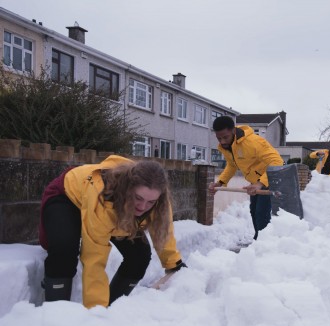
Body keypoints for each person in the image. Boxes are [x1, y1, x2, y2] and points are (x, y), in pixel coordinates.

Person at [39, 155, 185, 308]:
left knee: (139, 255)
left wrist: (173, 264)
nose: (142, 207)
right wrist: (96, 310)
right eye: (138, 198)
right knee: (64, 250)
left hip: (122, 209)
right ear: (129, 188)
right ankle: (56, 312)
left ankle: (113, 309)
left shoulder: (158, 200)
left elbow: (163, 231)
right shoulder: (103, 197)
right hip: (68, 197)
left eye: (150, 202)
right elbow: (94, 260)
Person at [208, 116, 284, 240]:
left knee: (261, 213)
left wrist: (260, 183)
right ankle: (258, 239)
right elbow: (232, 165)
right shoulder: (228, 147)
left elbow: (277, 161)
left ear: (233, 130)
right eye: (219, 138)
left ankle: (264, 244)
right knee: (253, 211)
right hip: (255, 183)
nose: (222, 142)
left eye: (225, 137)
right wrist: (220, 182)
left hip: (269, 179)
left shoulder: (253, 142)